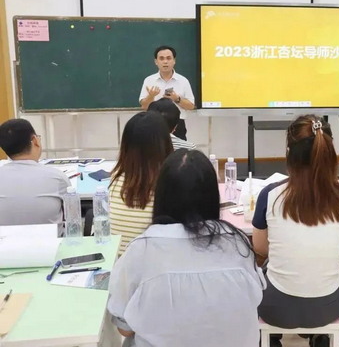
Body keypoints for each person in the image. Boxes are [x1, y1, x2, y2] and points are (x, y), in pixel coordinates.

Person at [108, 149, 265, 347]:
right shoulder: (238, 243)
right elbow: (252, 304)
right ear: (212, 196)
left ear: (161, 196)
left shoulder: (141, 249)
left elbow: (124, 328)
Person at [252, 115, 339, 347]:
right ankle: (320, 338)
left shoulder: (270, 194)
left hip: (276, 308)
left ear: (289, 152)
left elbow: (259, 247)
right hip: (327, 308)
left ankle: (270, 341)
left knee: (261, 276)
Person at [109, 111, 173, 254]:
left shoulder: (116, 178)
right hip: (151, 263)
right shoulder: (168, 186)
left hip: (118, 263)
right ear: (165, 144)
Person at [0, 118, 69, 227]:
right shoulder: (57, 178)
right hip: (50, 238)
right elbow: (72, 213)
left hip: (4, 239)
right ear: (35, 140)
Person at [139, 46, 195, 140]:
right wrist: (151, 96)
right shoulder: (149, 80)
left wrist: (177, 99)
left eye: (169, 58)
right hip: (154, 124)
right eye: (161, 58)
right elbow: (144, 106)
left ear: (174, 61)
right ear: (156, 61)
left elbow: (191, 106)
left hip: (177, 124)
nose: (165, 62)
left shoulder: (183, 81)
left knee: (179, 149)